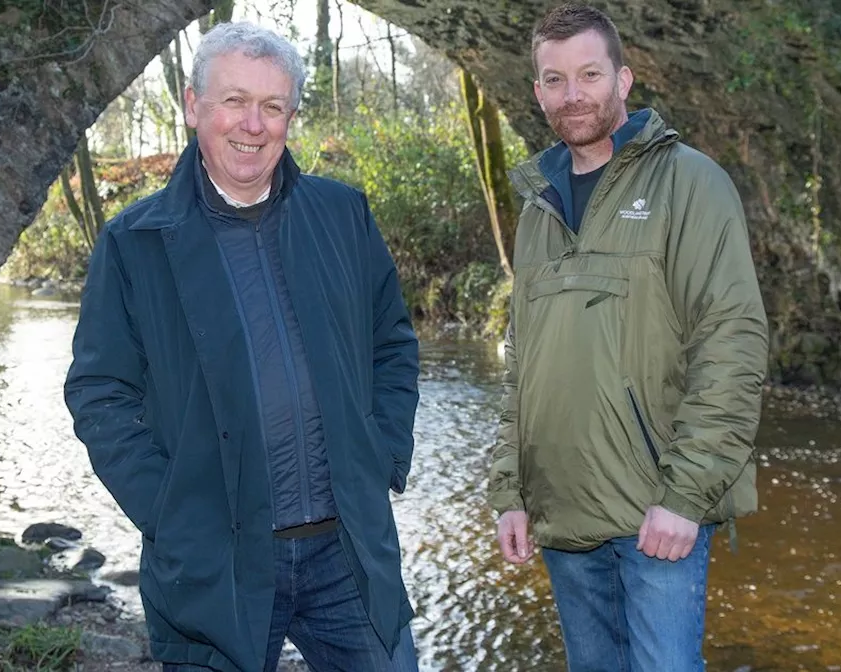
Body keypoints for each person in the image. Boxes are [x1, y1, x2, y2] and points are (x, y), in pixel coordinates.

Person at [64, 21, 420, 672]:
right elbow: (99, 393)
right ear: (194, 106)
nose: (252, 124)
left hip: (347, 550)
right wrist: (170, 512)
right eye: (234, 100)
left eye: (273, 106)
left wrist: (384, 452)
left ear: (290, 116)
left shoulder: (343, 216)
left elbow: (392, 342)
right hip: (217, 558)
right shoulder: (135, 242)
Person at [487, 3, 769, 671]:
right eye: (554, 80)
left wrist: (685, 495)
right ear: (536, 92)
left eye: (589, 74)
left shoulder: (690, 184)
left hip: (657, 517)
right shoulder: (537, 207)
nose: (572, 94)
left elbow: (731, 345)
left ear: (624, 79)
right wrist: (509, 492)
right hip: (562, 519)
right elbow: (520, 366)